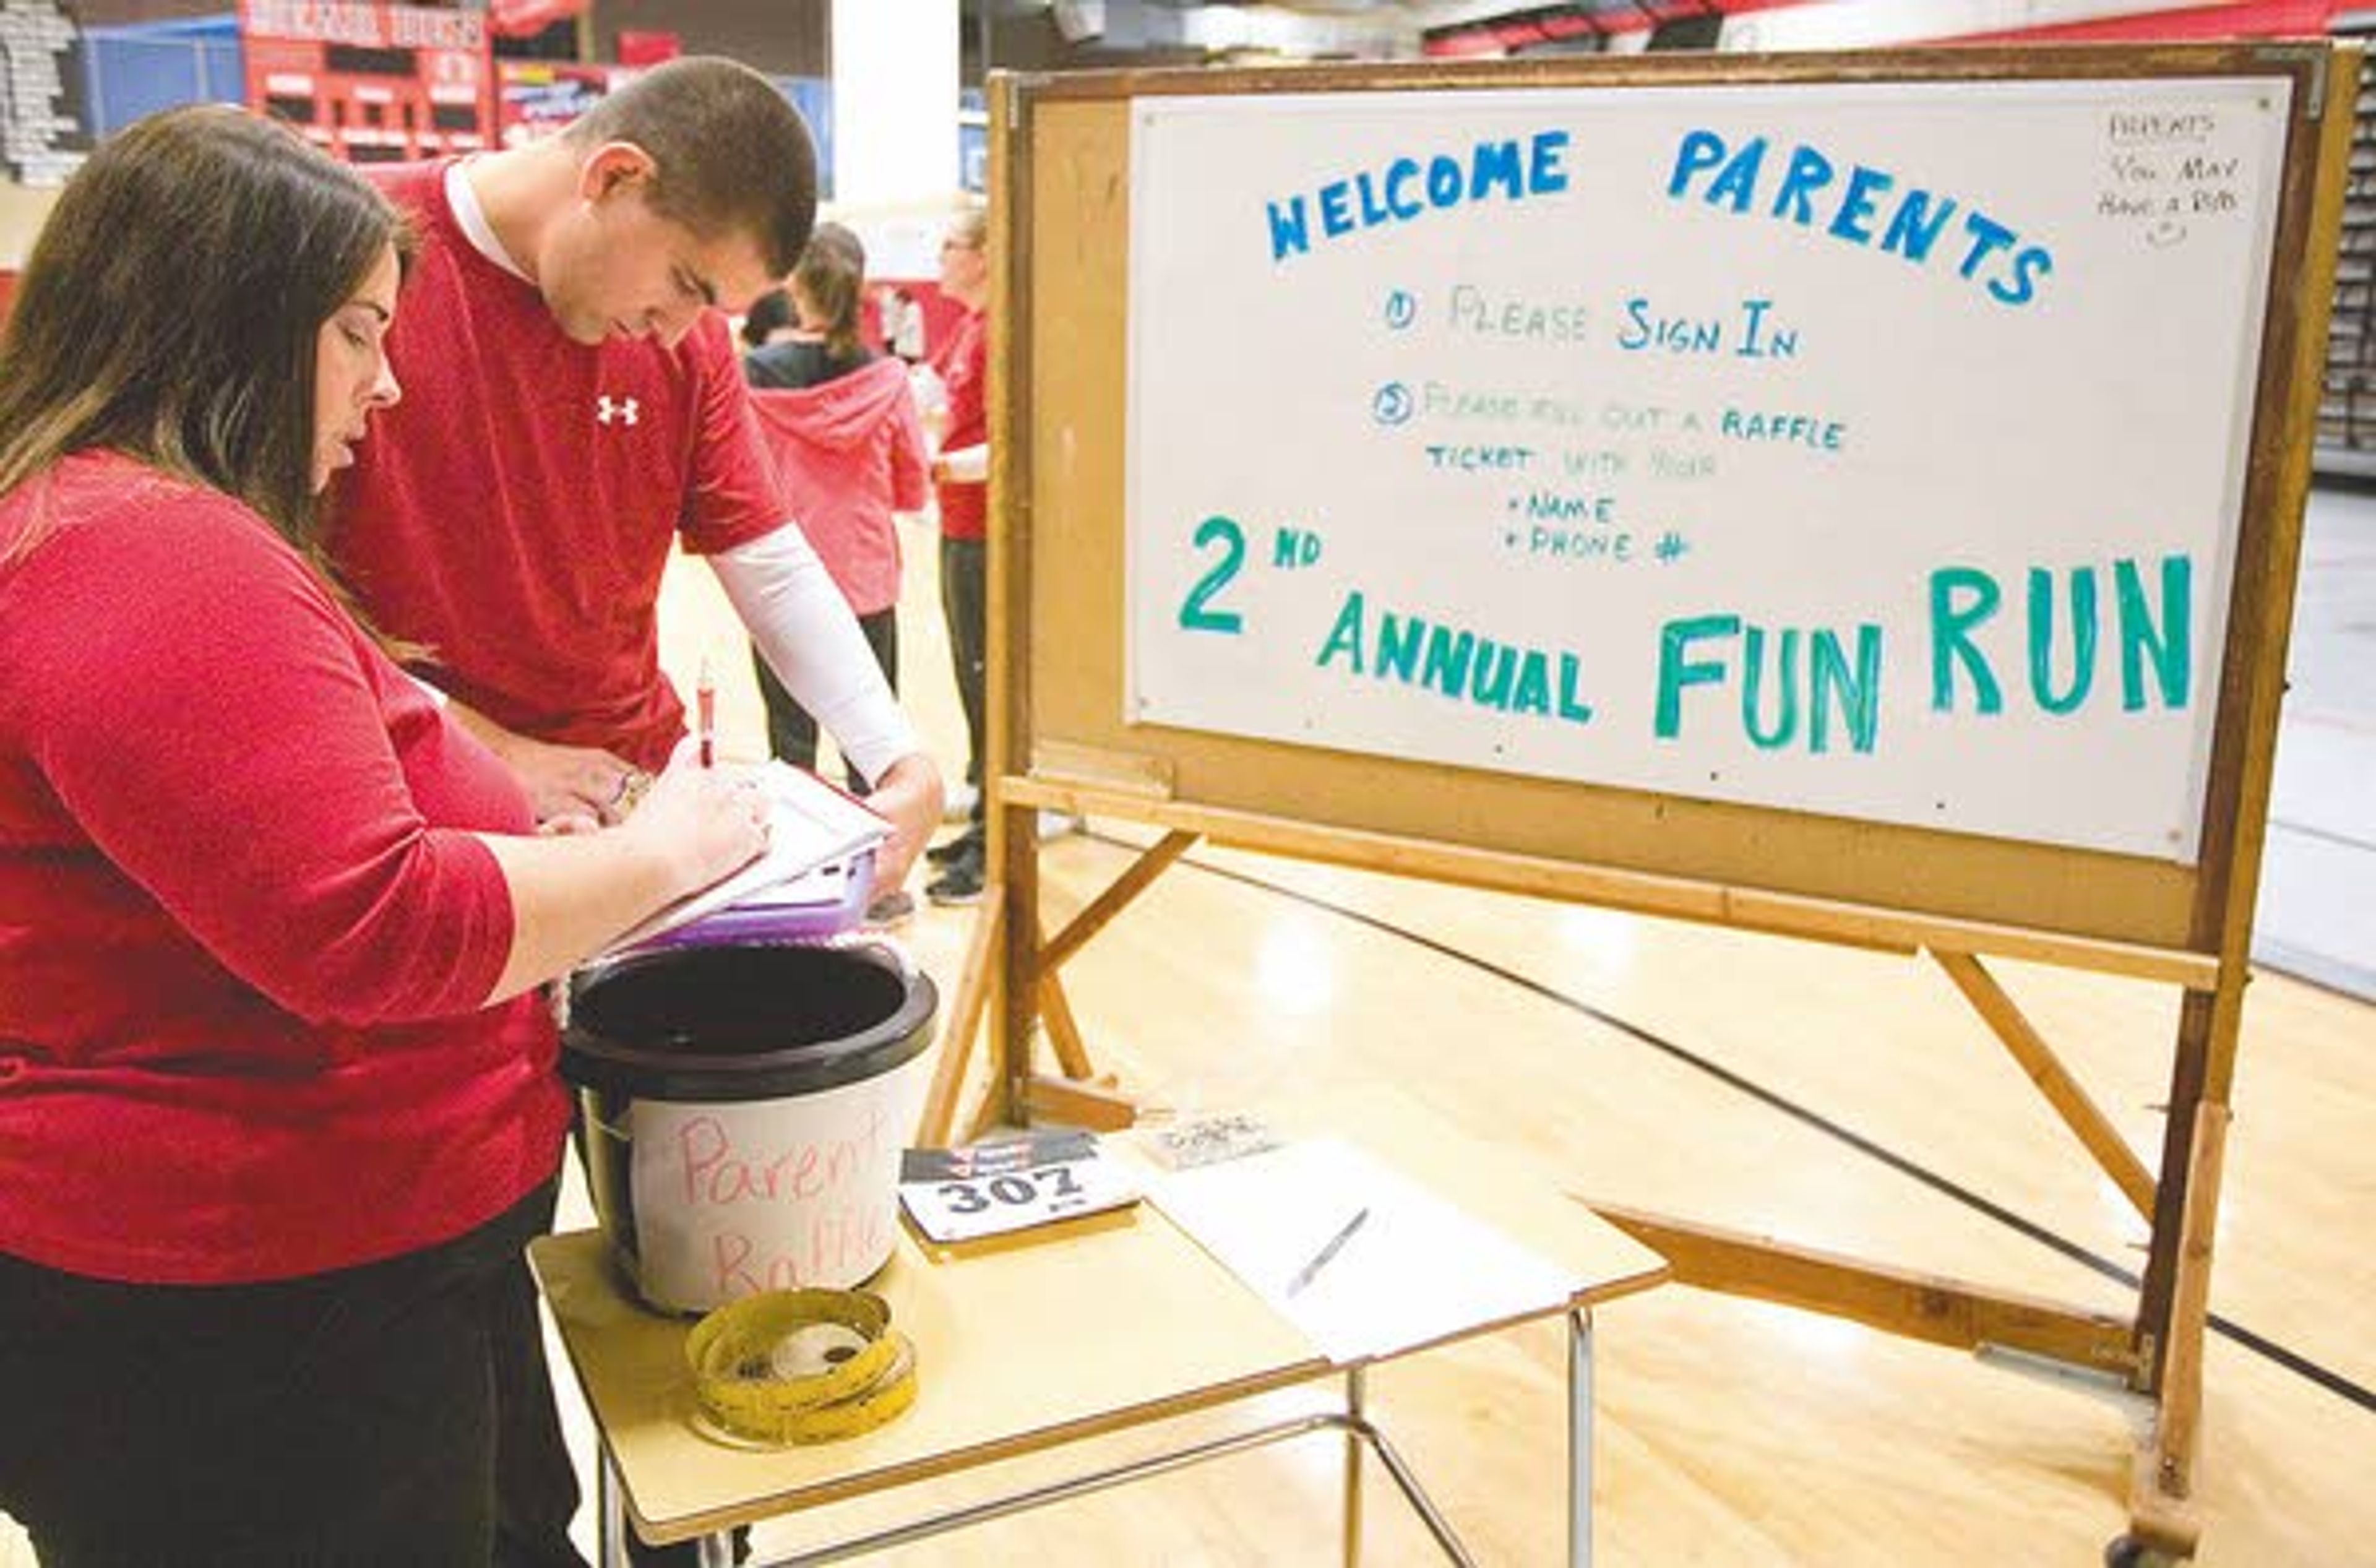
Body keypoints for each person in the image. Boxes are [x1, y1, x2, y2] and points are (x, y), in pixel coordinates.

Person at [0, 105, 769, 1566]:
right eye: (358, 335)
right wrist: (668, 850)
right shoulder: (156, 555)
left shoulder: (126, 530)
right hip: (255, 1306)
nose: (388, 386)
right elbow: (379, 927)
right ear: (229, 324)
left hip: (314, 1275)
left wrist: (489, 780)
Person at [329, 56, 942, 899]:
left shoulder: (688, 347)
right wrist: (492, 754)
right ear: (614, 175)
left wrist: (895, 755)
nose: (679, 330)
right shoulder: (348, 248)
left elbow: (767, 557)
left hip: (633, 791)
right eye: (686, 283)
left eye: (713, 307)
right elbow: (258, 597)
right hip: (410, 796)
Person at [741, 223, 929, 924]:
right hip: (866, 575)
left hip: (779, 584)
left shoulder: (752, 374)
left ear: (794, 286)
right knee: (872, 745)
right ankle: (876, 885)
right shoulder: (887, 380)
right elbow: (911, 485)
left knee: (790, 743)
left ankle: (795, 879)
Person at [924, 203, 992, 906]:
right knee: (970, 683)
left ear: (984, 253)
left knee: (989, 684)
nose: (938, 256)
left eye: (949, 245)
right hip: (958, 526)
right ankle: (981, 821)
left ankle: (995, 842)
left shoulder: (1003, 331)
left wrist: (937, 469)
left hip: (987, 533)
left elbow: (1014, 444)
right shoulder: (970, 328)